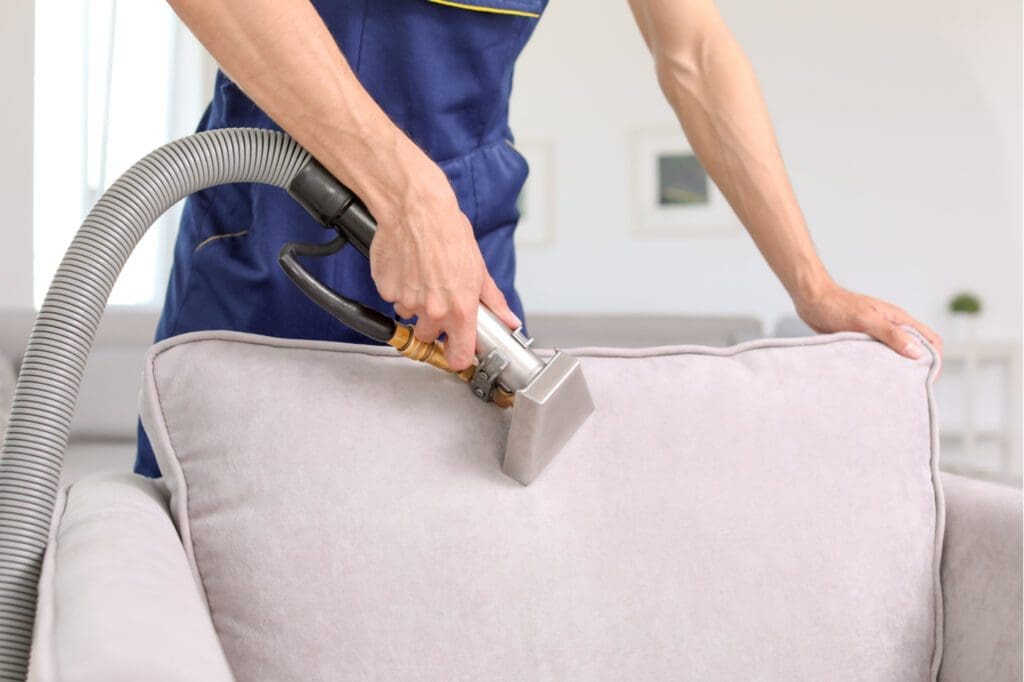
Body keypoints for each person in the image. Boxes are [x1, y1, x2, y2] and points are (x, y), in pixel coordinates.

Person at [135, 0, 943, 477]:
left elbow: (693, 52)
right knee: (214, 553)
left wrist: (812, 285)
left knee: (457, 565)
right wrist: (406, 190)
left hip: (469, 247)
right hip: (274, 223)